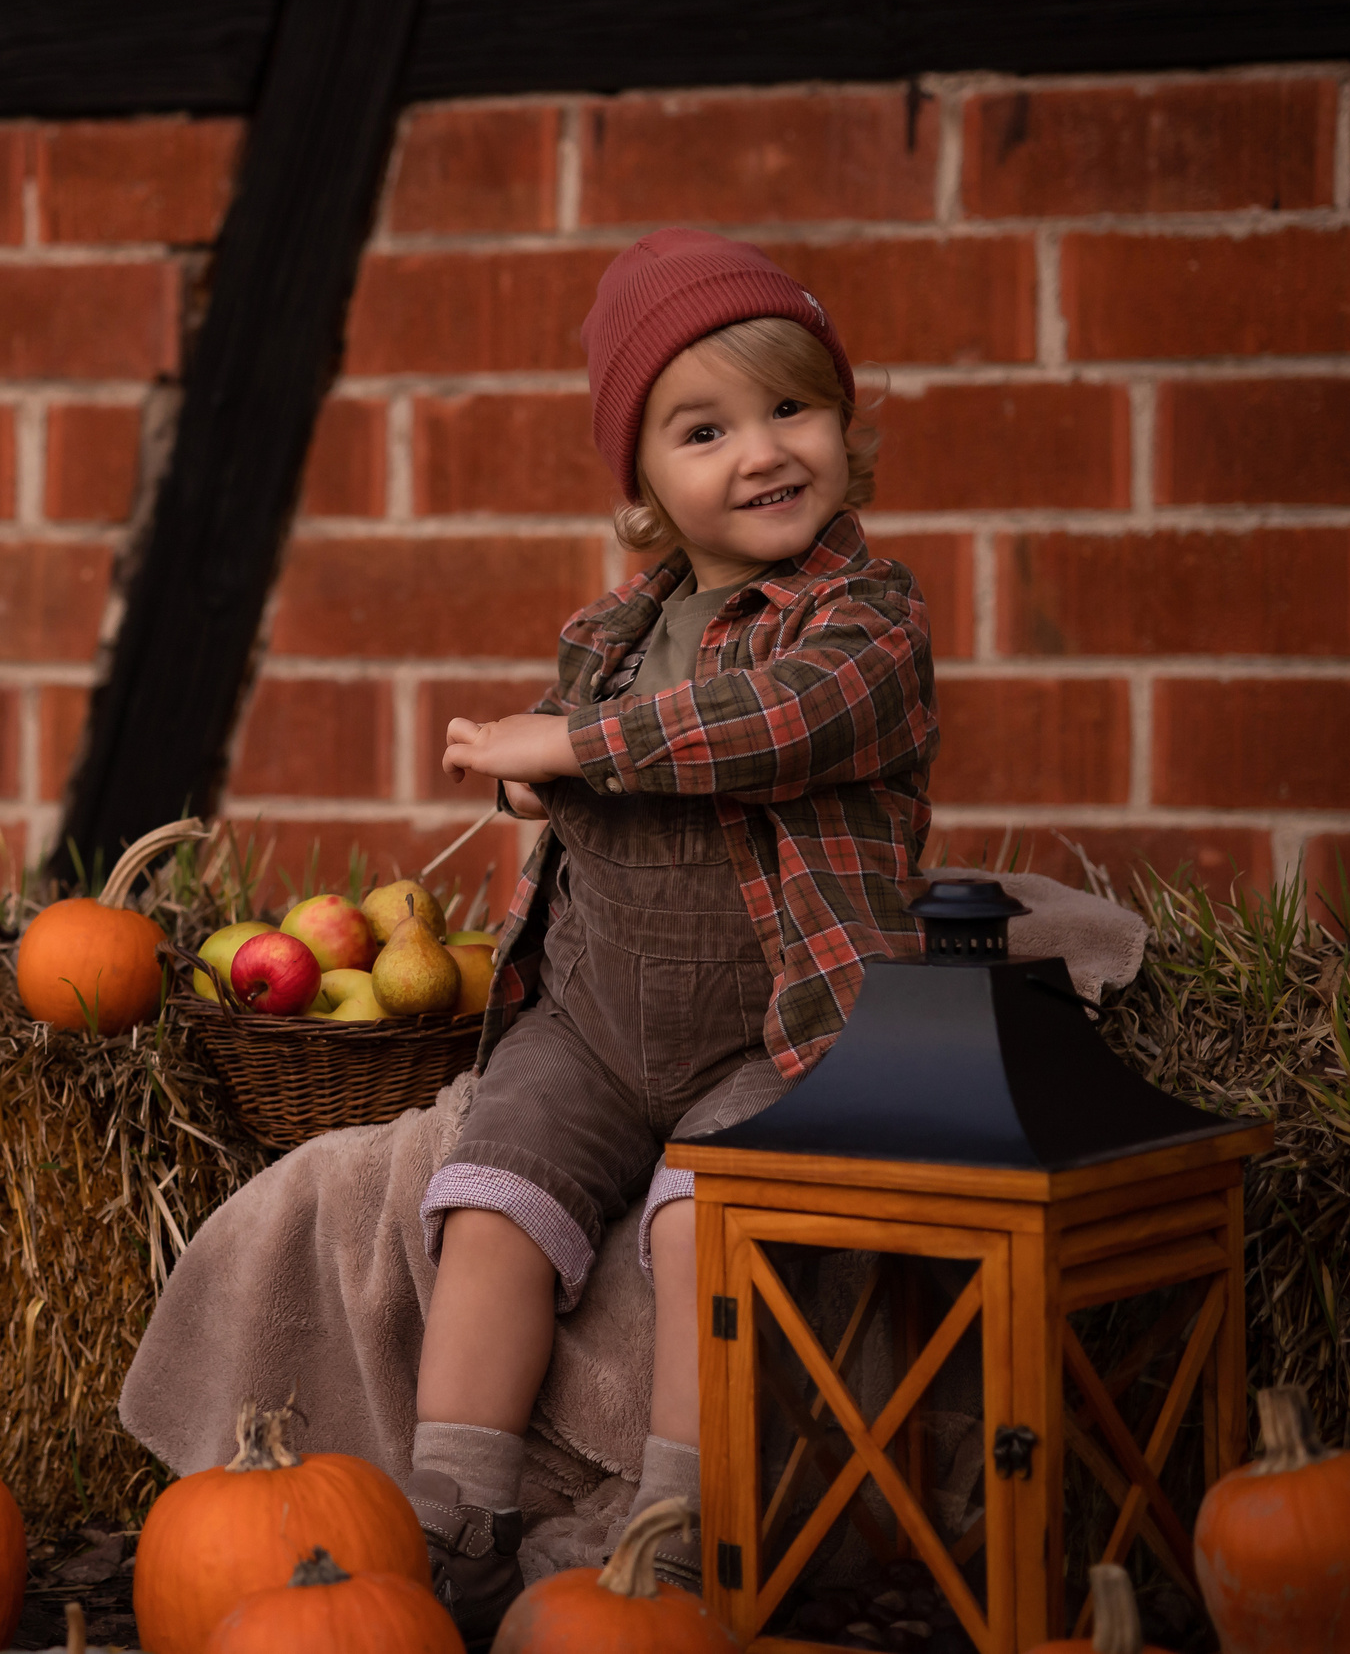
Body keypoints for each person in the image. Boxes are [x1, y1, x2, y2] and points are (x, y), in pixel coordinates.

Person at [418, 228, 939, 1642]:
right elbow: (586, 765)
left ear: (844, 424)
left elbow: (774, 727)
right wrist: (536, 767)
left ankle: (680, 1527)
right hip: (594, 1028)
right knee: (491, 1194)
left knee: (715, 1212)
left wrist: (576, 742)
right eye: (704, 430)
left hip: (788, 1026)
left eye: (794, 407)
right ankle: (448, 1515)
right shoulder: (608, 634)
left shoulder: (865, 621)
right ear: (644, 478)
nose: (764, 451)